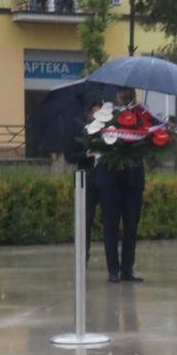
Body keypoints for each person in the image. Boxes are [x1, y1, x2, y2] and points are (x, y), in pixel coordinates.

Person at [96, 87, 146, 283]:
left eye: (128, 94)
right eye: (121, 94)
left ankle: (127, 268)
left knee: (131, 226)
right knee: (110, 226)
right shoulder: (106, 114)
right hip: (110, 179)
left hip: (133, 180)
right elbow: (96, 139)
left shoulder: (141, 116)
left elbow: (148, 141)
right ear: (115, 95)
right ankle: (113, 270)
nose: (124, 97)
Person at [65, 101, 102, 263]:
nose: (98, 116)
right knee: (85, 221)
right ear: (89, 114)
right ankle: (82, 257)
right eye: (95, 113)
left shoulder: (109, 131)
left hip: (106, 180)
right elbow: (69, 156)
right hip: (86, 181)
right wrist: (85, 155)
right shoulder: (79, 130)